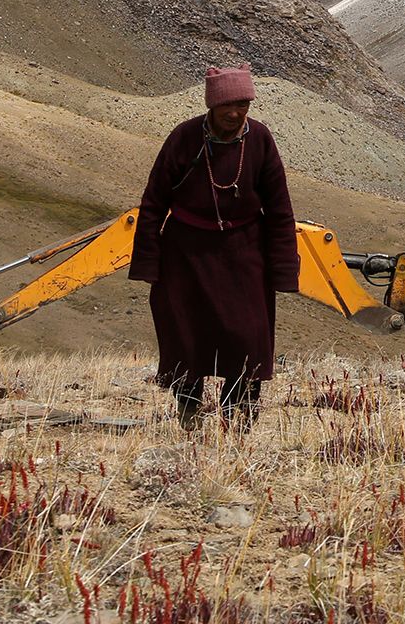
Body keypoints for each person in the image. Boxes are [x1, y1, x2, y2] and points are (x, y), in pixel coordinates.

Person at [128, 63, 299, 429]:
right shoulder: (184, 138)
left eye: (243, 105)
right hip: (185, 254)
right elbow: (154, 202)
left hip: (245, 253)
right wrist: (147, 261)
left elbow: (281, 209)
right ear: (212, 106)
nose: (236, 114)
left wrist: (283, 268)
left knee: (247, 335)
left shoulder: (261, 140)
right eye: (227, 107)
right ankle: (188, 408)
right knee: (186, 334)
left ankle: (238, 415)